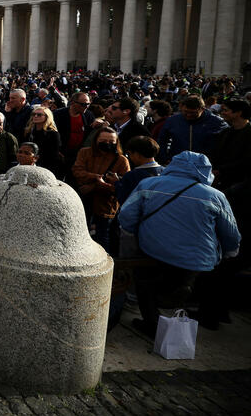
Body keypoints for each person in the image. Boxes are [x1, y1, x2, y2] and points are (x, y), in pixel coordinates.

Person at [118, 151, 240, 337]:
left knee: (145, 284)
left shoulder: (149, 184)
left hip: (153, 249)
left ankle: (151, 324)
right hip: (197, 259)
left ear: (174, 164)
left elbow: (126, 216)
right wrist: (231, 252)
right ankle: (183, 311)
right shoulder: (216, 196)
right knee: (183, 285)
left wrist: (136, 234)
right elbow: (230, 232)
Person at [72, 127, 130, 254]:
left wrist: (98, 185)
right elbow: (77, 171)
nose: (107, 144)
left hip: (106, 203)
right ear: (96, 140)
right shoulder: (85, 153)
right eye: (103, 140)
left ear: (116, 142)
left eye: (111, 141)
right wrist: (96, 177)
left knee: (103, 236)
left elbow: (123, 186)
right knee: (80, 233)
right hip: (85, 200)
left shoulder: (121, 160)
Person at [157, 95, 227, 164]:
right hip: (178, 163)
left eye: (193, 113)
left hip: (204, 165)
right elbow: (162, 140)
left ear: (202, 109)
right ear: (181, 108)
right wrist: (165, 158)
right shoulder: (173, 120)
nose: (189, 115)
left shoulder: (216, 122)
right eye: (186, 112)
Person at [210, 99, 251, 192]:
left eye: (226, 110)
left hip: (241, 185)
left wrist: (221, 170)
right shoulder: (225, 132)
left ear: (238, 113)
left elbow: (246, 160)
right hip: (221, 182)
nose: (222, 113)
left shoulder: (249, 134)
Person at [54, 91, 95, 174]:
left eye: (88, 104)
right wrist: (56, 150)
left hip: (78, 155)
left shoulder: (89, 115)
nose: (86, 107)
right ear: (73, 103)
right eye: (83, 104)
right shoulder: (58, 114)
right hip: (60, 154)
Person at [22, 106, 63, 175]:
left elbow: (53, 155)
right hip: (28, 165)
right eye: (33, 114)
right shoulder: (28, 131)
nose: (35, 116)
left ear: (47, 117)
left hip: (46, 167)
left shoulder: (53, 134)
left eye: (39, 115)